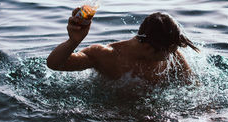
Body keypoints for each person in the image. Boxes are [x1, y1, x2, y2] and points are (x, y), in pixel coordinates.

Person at [47, 8, 200, 85]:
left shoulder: (175, 58)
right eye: (168, 53)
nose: (171, 56)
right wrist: (73, 42)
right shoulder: (105, 55)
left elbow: (194, 88)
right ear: (148, 48)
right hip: (110, 116)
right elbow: (55, 64)